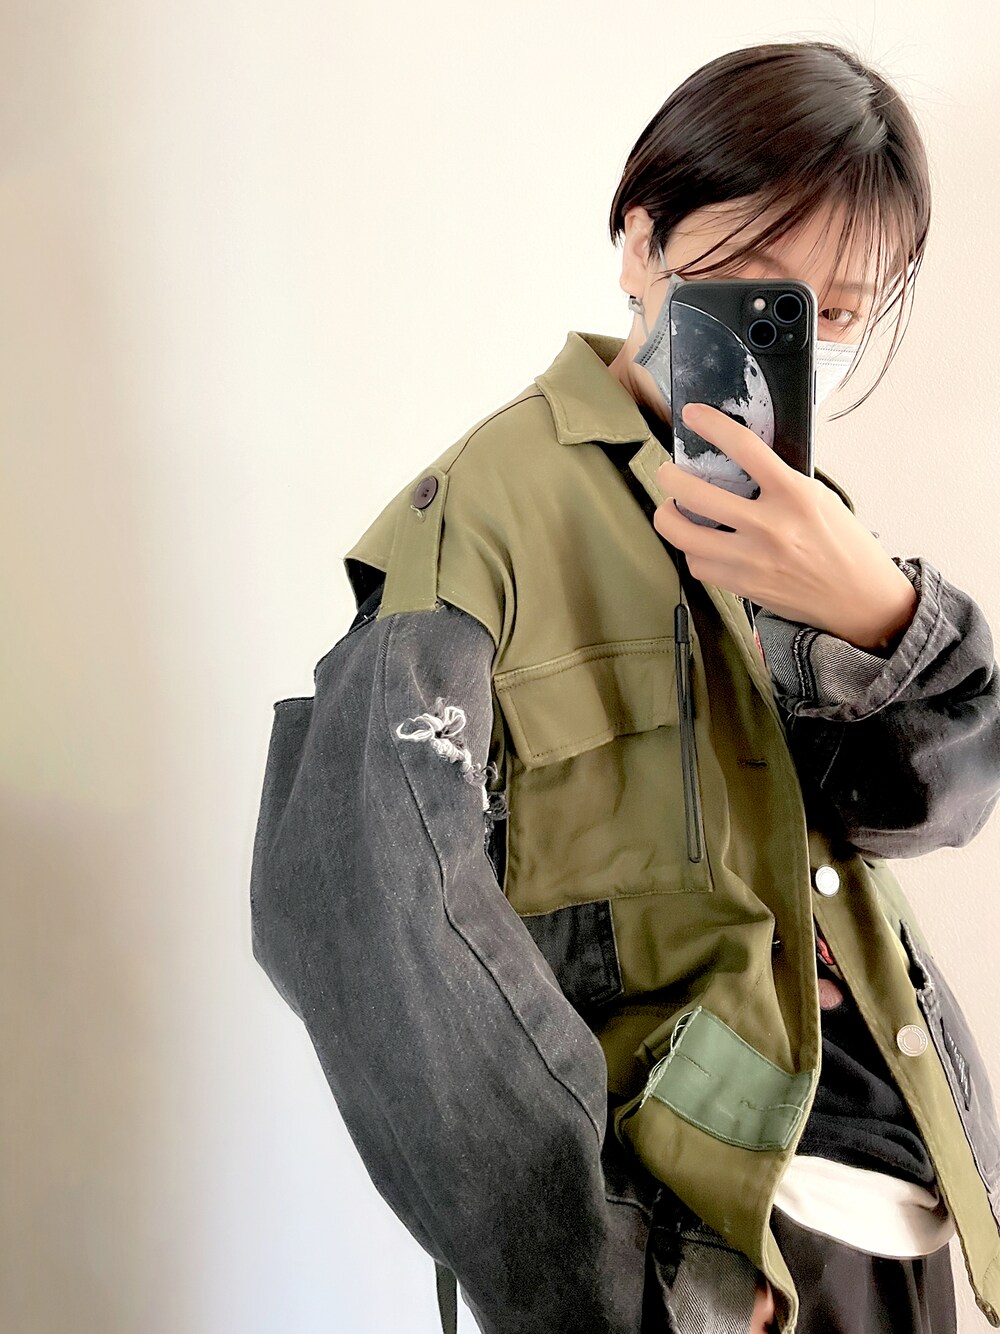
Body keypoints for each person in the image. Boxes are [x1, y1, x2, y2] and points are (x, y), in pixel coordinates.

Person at [249, 39, 1000, 1333]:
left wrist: (879, 606)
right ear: (640, 242)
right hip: (724, 1255)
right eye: (751, 275)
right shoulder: (483, 519)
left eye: (835, 314)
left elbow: (935, 800)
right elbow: (364, 921)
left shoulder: (803, 520)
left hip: (915, 1221)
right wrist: (617, 1287)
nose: (786, 336)